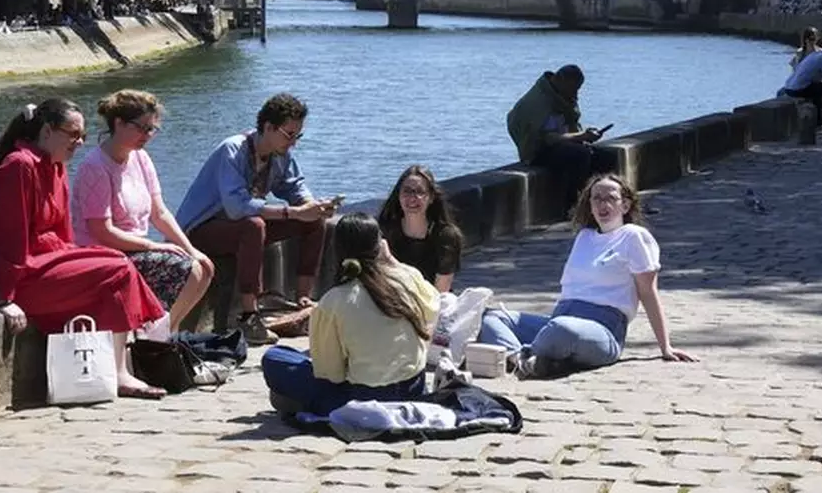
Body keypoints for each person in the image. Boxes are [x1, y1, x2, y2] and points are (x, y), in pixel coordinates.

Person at [0, 99, 167, 400]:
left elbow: (64, 235)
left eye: (83, 136)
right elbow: (10, 237)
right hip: (17, 276)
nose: (79, 143)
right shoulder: (19, 167)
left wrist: (78, 263)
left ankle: (119, 366)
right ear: (48, 131)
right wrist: (5, 298)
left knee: (116, 261)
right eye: (73, 134)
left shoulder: (56, 165)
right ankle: (119, 373)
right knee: (115, 269)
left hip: (44, 263)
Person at [477, 174, 697, 379]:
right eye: (596, 199)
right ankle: (521, 359)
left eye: (611, 198)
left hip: (602, 330)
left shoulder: (634, 237)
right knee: (491, 318)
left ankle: (528, 355)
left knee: (562, 329)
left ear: (625, 205)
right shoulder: (584, 236)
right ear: (589, 205)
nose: (603, 205)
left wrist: (665, 347)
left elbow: (648, 292)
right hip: (560, 318)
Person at [176, 93, 336, 346]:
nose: (293, 142)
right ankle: (250, 315)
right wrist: (293, 213)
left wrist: (313, 207)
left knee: (314, 221)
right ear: (269, 127)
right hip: (200, 231)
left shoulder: (280, 155)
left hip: (236, 228)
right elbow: (238, 207)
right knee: (254, 226)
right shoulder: (233, 149)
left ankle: (304, 298)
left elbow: (295, 187)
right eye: (289, 134)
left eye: (297, 136)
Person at [261, 213, 440, 416]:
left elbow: (331, 374)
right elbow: (433, 304)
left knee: (275, 357)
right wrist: (392, 261)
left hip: (363, 397)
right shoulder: (407, 277)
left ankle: (306, 404)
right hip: (412, 387)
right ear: (380, 245)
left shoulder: (334, 300)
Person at [71, 90, 213, 333]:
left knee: (205, 266)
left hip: (134, 248)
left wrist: (191, 249)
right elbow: (101, 231)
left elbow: (159, 213)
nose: (147, 136)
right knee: (189, 269)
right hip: (104, 254)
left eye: (152, 129)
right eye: (142, 128)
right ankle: (160, 336)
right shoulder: (95, 167)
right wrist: (155, 246)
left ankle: (166, 332)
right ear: (119, 124)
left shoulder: (141, 158)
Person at [506, 64, 615, 211]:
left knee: (606, 157)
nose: (575, 93)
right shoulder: (540, 102)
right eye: (573, 88)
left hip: (560, 144)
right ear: (560, 80)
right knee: (579, 156)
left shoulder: (561, 95)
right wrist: (581, 136)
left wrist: (585, 136)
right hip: (538, 150)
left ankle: (607, 203)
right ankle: (574, 207)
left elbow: (570, 127)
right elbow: (549, 138)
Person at [377, 165, 464, 293]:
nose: (412, 198)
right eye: (407, 191)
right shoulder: (386, 231)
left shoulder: (446, 236)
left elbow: (441, 291)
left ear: (431, 198)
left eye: (420, 192)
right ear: (398, 195)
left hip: (432, 305)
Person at [781, 47, 822, 128]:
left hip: (789, 88)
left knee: (818, 89)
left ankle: (820, 120)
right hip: (799, 89)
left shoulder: (819, 54)